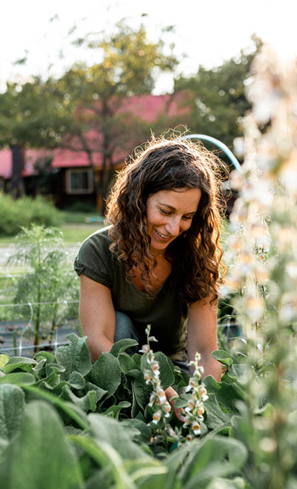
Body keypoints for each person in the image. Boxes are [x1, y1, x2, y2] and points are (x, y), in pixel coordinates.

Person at [74, 135, 228, 421]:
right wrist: (152, 381)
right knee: (119, 324)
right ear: (138, 198)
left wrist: (201, 399)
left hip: (173, 368)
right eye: (165, 211)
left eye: (187, 216)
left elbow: (205, 350)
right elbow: (97, 341)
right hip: (115, 370)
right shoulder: (98, 251)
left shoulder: (197, 257)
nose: (173, 227)